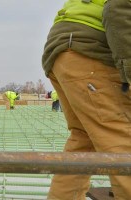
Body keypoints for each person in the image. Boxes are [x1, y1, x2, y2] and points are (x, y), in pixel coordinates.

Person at [42, 0, 131, 199]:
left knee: (83, 140)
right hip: (87, 50)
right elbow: (119, 8)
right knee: (122, 140)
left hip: (64, 50)